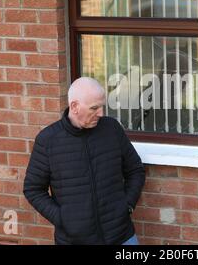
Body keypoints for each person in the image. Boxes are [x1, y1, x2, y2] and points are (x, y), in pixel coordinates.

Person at [23, 77, 146, 245]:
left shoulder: (112, 129)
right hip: (74, 241)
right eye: (94, 108)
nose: (101, 113)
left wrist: (127, 205)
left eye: (102, 106)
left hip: (121, 236)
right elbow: (33, 189)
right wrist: (63, 219)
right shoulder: (48, 141)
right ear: (74, 107)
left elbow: (135, 170)